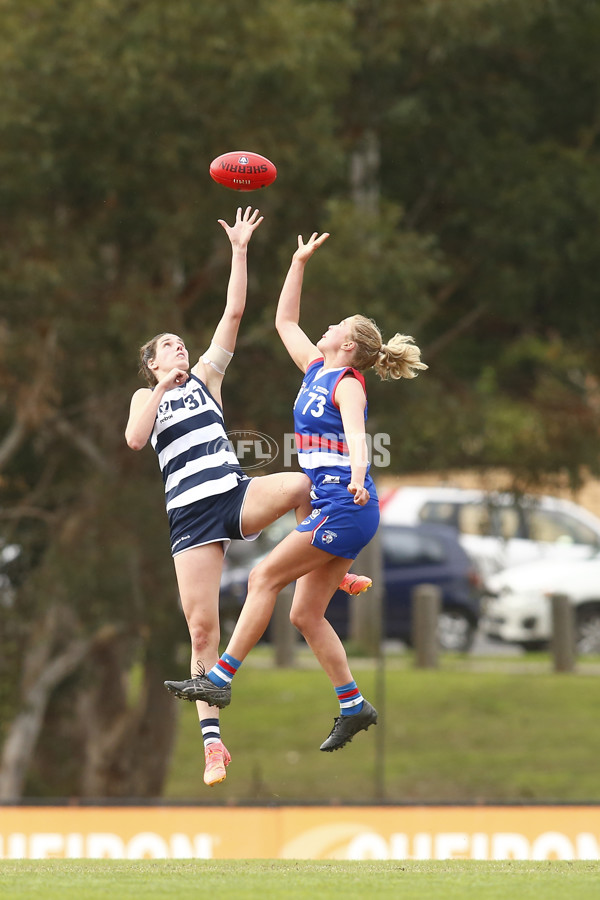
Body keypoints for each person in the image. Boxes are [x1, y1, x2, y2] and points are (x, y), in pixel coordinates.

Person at [125, 211, 370, 787]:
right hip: (190, 518)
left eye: (182, 344)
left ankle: (331, 562)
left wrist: (239, 251)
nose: (180, 349)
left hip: (234, 494)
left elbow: (234, 312)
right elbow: (136, 439)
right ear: (152, 363)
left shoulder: (208, 377)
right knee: (202, 631)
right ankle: (214, 746)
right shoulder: (149, 393)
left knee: (303, 483)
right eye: (168, 347)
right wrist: (161, 386)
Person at [164, 230, 428, 753]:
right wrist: (297, 261)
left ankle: (219, 678)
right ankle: (354, 705)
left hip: (345, 504)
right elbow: (284, 320)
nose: (325, 328)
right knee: (305, 615)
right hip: (340, 508)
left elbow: (358, 435)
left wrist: (357, 474)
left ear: (347, 345)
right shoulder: (315, 368)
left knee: (263, 576)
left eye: (335, 327)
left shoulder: (347, 381)